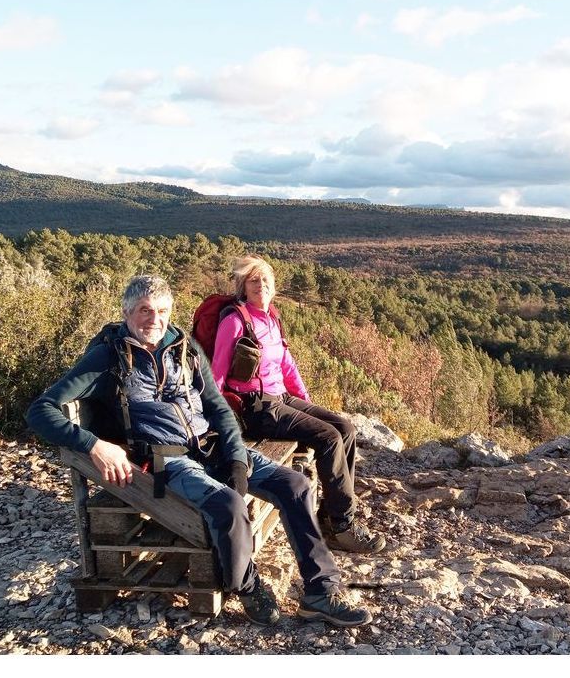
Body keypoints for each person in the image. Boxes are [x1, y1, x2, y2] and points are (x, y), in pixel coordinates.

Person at [27, 274, 371, 627]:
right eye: (144, 310)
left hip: (212, 446)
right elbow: (40, 411)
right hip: (166, 460)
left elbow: (218, 408)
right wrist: (96, 445)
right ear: (127, 312)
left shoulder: (184, 348)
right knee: (228, 504)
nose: (154, 319)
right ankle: (247, 585)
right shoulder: (107, 359)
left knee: (296, 486)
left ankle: (320, 592)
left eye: (161, 311)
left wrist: (237, 458)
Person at [210, 255, 386, 554]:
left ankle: (330, 516)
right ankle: (342, 526)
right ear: (242, 286)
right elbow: (217, 370)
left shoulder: (272, 318)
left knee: (343, 428)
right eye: (253, 280)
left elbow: (287, 365)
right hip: (256, 406)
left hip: (282, 399)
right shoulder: (235, 321)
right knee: (328, 438)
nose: (260, 285)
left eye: (265, 279)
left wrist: (306, 406)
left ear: (274, 286)